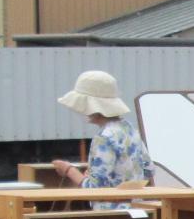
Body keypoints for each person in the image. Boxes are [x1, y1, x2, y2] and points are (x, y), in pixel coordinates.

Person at [53, 69, 150, 207]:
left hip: (111, 214)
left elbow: (95, 189)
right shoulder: (130, 130)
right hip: (138, 210)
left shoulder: (104, 138)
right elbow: (148, 169)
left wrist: (69, 170)